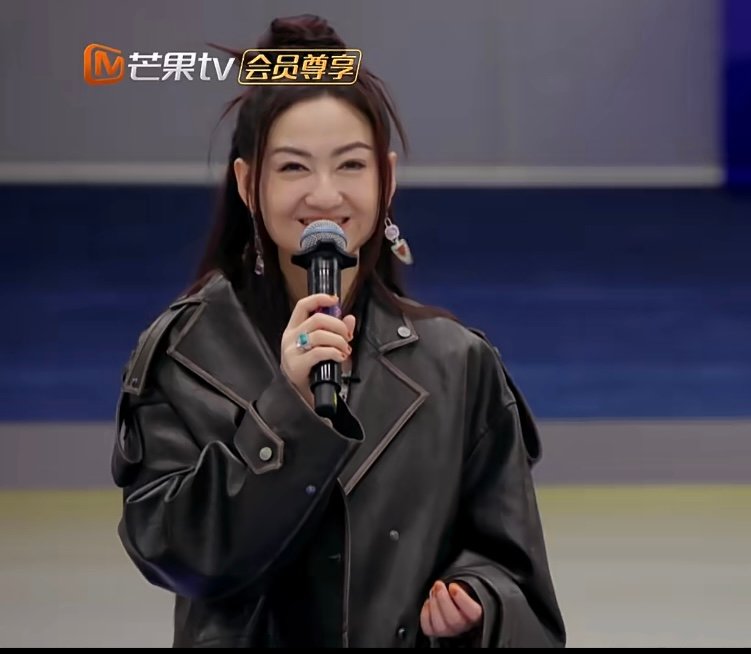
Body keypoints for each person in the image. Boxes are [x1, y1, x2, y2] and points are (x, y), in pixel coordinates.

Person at [110, 15, 566, 648]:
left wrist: (478, 605)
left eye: (350, 165)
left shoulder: (458, 364)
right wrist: (287, 411)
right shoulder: (187, 355)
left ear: (387, 178)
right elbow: (175, 554)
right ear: (247, 183)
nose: (325, 196)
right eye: (293, 168)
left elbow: (520, 585)